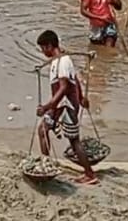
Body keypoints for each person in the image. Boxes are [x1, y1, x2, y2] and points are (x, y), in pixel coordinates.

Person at [34, 30, 97, 185]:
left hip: (65, 106)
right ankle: (47, 164)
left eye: (43, 48)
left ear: (49, 46)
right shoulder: (58, 60)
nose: (43, 52)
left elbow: (63, 87)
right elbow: (74, 79)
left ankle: (90, 174)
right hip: (59, 106)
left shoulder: (63, 61)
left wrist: (47, 106)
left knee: (74, 141)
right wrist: (81, 97)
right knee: (42, 130)